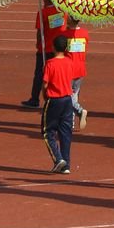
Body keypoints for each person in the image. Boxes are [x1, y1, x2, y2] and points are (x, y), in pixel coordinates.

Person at [24, 0, 67, 107]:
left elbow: (40, 31)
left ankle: (35, 99)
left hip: (46, 48)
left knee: (40, 74)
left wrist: (38, 44)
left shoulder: (43, 12)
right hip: (60, 48)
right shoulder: (63, 10)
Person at [43, 34, 75, 174]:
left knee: (48, 131)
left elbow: (45, 84)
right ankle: (66, 164)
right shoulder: (69, 62)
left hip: (54, 99)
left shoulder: (50, 63)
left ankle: (58, 158)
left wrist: (45, 95)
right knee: (65, 132)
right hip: (67, 99)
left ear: (53, 47)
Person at [62, 16, 90, 127]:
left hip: (69, 68)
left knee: (68, 95)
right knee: (75, 94)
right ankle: (71, 122)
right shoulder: (85, 33)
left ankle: (79, 110)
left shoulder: (65, 34)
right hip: (81, 67)